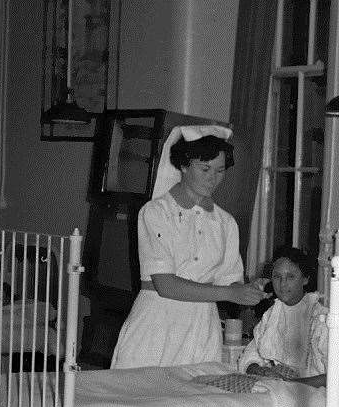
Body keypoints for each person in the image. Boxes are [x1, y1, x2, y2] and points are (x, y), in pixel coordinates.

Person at [111, 125, 265, 370]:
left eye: (220, 170)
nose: (212, 178)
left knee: (194, 403)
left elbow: (229, 282)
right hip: (157, 324)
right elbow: (166, 285)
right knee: (142, 401)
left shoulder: (225, 223)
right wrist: (230, 293)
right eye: (204, 169)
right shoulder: (156, 213)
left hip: (201, 329)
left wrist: (246, 290)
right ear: (183, 165)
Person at [238, 245, 328, 387]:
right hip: (274, 380)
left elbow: (333, 377)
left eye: (290, 277)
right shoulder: (273, 313)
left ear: (305, 279)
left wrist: (288, 383)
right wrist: (257, 369)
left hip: (306, 388)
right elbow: (251, 352)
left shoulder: (320, 318)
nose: (282, 283)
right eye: (277, 277)